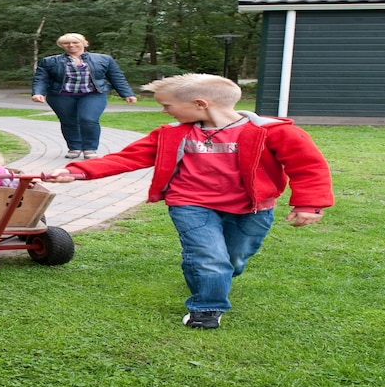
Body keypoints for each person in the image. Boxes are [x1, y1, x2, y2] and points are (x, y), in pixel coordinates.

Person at [45, 73, 334, 329]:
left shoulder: (273, 132)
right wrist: (76, 171)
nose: (164, 110)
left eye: (167, 105)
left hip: (253, 207)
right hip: (190, 204)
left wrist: (309, 203)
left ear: (200, 104)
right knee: (209, 257)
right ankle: (207, 308)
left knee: (233, 259)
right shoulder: (172, 134)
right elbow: (128, 157)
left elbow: (308, 166)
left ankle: (214, 278)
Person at [31, 32, 138, 160]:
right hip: (61, 96)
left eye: (75, 42)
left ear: (84, 43)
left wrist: (127, 94)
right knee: (68, 122)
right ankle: (74, 147)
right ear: (61, 45)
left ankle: (90, 148)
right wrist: (38, 92)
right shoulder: (49, 61)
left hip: (93, 94)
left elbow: (117, 77)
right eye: (66, 43)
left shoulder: (103, 59)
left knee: (88, 119)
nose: (71, 45)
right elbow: (41, 79)